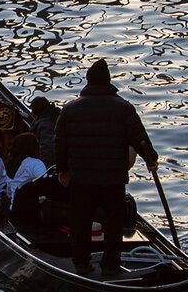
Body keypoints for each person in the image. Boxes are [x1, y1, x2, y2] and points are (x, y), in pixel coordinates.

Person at [55, 59, 156, 274]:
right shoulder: (124, 108)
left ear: (88, 81)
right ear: (108, 81)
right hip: (113, 178)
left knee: (81, 222)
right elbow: (140, 139)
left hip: (82, 178)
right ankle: (110, 264)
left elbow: (60, 143)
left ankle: (81, 263)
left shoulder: (70, 110)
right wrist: (151, 159)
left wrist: (63, 171)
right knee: (113, 223)